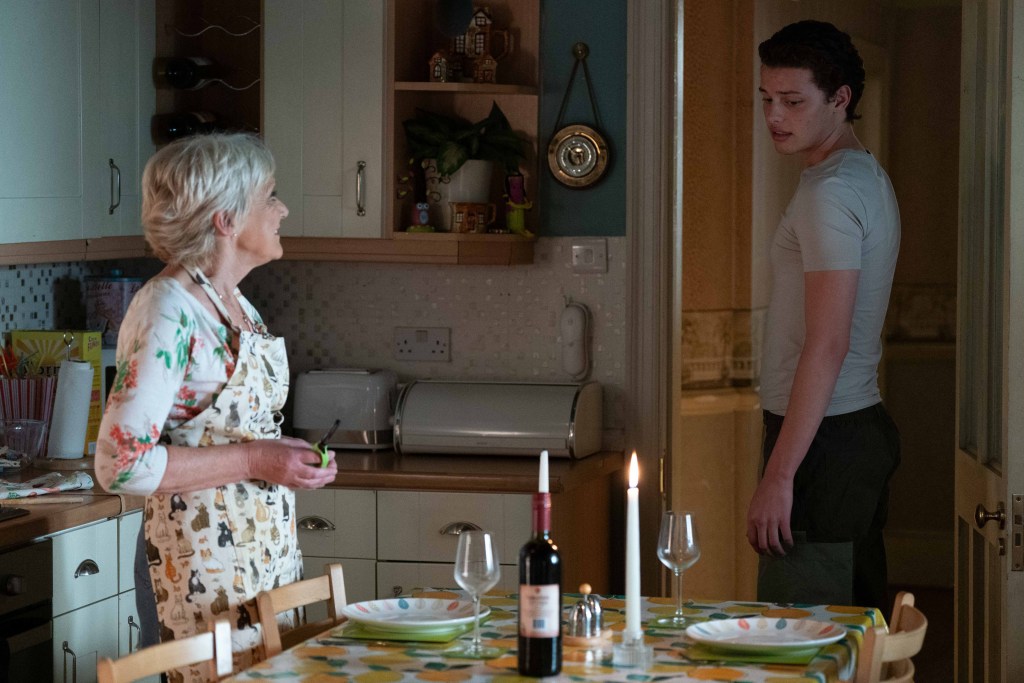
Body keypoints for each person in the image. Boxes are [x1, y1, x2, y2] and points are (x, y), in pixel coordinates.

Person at [95, 133, 338, 682]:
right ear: (226, 219)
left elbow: (230, 431)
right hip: (196, 565)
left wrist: (287, 456)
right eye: (269, 196)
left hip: (261, 559)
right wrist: (256, 460)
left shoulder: (232, 303)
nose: (282, 209)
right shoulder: (167, 309)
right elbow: (120, 465)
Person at [746, 20, 901, 611]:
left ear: (840, 98)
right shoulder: (863, 175)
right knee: (851, 628)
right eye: (767, 99)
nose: (774, 116)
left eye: (793, 101)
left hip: (824, 440)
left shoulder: (829, 192)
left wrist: (780, 475)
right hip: (847, 430)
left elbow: (827, 343)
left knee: (803, 638)